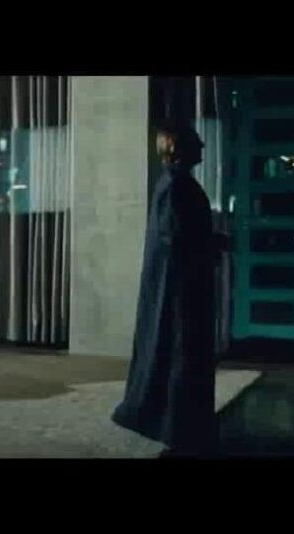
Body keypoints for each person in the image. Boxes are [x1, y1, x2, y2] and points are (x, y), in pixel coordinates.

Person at [111, 122, 221, 457]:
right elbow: (176, 238)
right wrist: (210, 245)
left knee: (177, 348)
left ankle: (178, 421)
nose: (202, 145)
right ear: (178, 148)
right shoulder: (176, 186)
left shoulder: (176, 184)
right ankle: (175, 423)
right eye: (195, 141)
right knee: (179, 348)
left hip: (180, 283)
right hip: (180, 287)